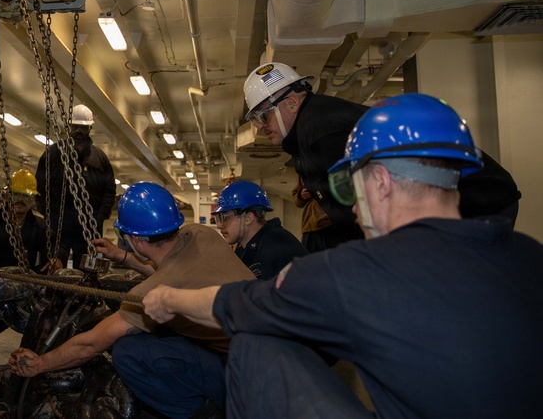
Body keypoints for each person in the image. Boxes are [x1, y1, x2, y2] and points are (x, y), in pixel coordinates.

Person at [143, 93, 543, 419]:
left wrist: (166, 299)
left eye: (352, 188)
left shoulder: (354, 273)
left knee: (255, 342)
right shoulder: (529, 254)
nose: (350, 209)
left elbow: (234, 305)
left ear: (381, 182)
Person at [9, 182, 254, 419]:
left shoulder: (153, 290)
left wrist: (39, 363)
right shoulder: (201, 233)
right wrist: (123, 257)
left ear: (135, 239)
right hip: (272, 350)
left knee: (128, 351)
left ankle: (200, 414)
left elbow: (91, 344)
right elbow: (171, 271)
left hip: (241, 377)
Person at [242, 62, 521, 252]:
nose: (260, 126)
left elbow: (364, 211)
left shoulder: (320, 133)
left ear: (291, 102)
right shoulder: (309, 129)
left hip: (480, 200)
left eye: (262, 115)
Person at [35, 104, 116, 268]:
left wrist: (100, 216)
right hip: (58, 220)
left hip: (90, 221)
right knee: (53, 265)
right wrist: (48, 213)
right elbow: (40, 188)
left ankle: (87, 293)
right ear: (68, 128)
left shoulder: (99, 158)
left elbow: (109, 190)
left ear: (90, 129)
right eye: (75, 128)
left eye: (83, 129)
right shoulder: (52, 155)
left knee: (88, 268)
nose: (78, 133)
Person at [0, 169, 60, 274]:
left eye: (26, 195)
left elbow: (56, 244)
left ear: (33, 200)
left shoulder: (40, 227)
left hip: (25, 284)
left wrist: (57, 258)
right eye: (16, 194)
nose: (20, 200)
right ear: (7, 196)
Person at [212, 180, 306, 279]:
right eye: (218, 218)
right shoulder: (245, 248)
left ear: (248, 218)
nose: (219, 225)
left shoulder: (276, 246)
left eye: (225, 217)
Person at [292, 174, 332, 243]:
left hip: (327, 225)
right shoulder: (304, 170)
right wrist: (301, 195)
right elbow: (296, 197)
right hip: (308, 227)